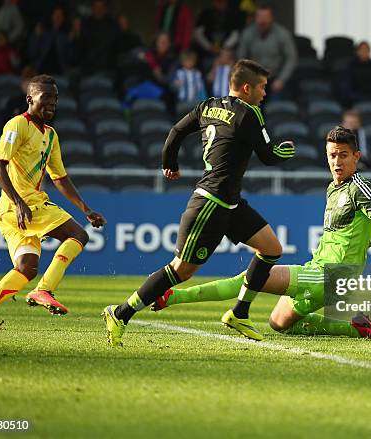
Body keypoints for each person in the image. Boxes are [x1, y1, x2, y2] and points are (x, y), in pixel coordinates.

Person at [151, 126, 371, 341]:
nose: (336, 162)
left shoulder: (360, 188)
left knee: (253, 276)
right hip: (320, 272)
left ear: (356, 156)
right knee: (278, 323)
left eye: (343, 155)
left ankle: (171, 295)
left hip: (333, 274)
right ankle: (357, 328)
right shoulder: (333, 188)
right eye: (332, 155)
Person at [103, 59, 296, 346]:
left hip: (230, 203)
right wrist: (287, 151)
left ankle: (239, 313)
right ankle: (120, 313)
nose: (265, 94)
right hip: (211, 203)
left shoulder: (207, 106)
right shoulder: (249, 113)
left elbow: (176, 131)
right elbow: (269, 156)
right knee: (180, 270)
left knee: (271, 249)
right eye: (262, 88)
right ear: (247, 88)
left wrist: (170, 163)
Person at [0, 75, 107, 330]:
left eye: (55, 99)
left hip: (17, 209)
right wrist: (19, 202)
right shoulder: (17, 125)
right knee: (78, 235)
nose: (52, 103)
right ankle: (45, 290)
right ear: (30, 99)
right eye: (46, 98)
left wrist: (85, 208)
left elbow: (60, 178)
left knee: (26, 267)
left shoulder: (50, 135)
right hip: (20, 205)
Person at [237, 3, 298, 100]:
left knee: (277, 108)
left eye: (266, 17)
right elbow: (241, 58)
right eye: (259, 17)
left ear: (271, 18)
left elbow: (291, 58)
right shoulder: (248, 34)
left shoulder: (282, 34)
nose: (262, 20)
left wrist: (281, 80)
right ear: (255, 18)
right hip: (254, 80)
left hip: (276, 78)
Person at [72, 0, 119, 74]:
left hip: (107, 67)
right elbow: (80, 48)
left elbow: (112, 46)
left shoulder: (112, 25)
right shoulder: (86, 24)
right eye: (96, 7)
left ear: (105, 9)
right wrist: (77, 35)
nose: (99, 10)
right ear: (92, 9)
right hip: (87, 67)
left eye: (101, 7)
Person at [193, 0, 241, 70]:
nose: (220, 4)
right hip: (206, 52)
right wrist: (209, 47)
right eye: (218, 2)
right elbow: (198, 33)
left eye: (222, 2)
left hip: (227, 53)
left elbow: (236, 34)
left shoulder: (233, 15)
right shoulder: (205, 14)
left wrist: (225, 47)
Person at [26, 5, 73, 75]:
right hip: (41, 70)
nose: (58, 17)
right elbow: (32, 53)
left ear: (63, 18)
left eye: (60, 15)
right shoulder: (43, 34)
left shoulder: (65, 37)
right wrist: (37, 37)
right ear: (52, 16)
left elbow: (70, 59)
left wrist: (72, 42)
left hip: (59, 72)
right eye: (56, 14)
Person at [343, 41, 371, 106]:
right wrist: (358, 98)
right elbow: (347, 87)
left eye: (367, 50)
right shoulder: (350, 67)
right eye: (362, 50)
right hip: (354, 100)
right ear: (357, 52)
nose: (364, 52)